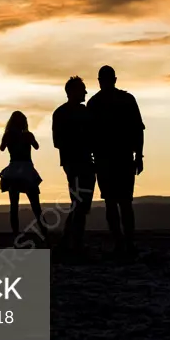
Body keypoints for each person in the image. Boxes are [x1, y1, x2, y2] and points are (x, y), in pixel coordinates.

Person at [86, 65, 144, 258]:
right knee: (123, 203)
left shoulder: (95, 103)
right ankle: (126, 242)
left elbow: (89, 135)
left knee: (114, 202)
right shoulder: (126, 100)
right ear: (115, 79)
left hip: (108, 160)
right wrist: (139, 156)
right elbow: (138, 130)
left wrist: (139, 156)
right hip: (119, 159)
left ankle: (122, 242)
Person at [52, 76, 95, 257]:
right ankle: (74, 243)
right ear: (72, 91)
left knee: (80, 204)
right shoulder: (64, 113)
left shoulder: (72, 112)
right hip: (76, 162)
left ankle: (70, 241)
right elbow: (58, 141)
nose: (85, 92)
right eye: (82, 89)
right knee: (80, 203)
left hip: (82, 162)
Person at [0, 111, 45, 241]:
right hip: (27, 169)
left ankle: (15, 235)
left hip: (13, 170)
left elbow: (2, 148)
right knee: (36, 205)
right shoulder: (28, 135)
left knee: (14, 206)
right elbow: (36, 146)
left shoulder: (8, 135)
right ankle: (44, 232)